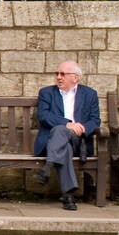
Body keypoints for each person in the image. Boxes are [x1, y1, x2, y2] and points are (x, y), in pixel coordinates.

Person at [34, 60, 101, 210]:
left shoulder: (90, 94)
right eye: (57, 74)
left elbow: (95, 120)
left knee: (62, 133)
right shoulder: (46, 93)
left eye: (63, 74)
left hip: (79, 141)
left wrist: (82, 128)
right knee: (61, 135)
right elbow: (44, 116)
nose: (58, 77)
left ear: (75, 77)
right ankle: (68, 196)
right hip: (52, 142)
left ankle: (48, 167)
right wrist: (68, 124)